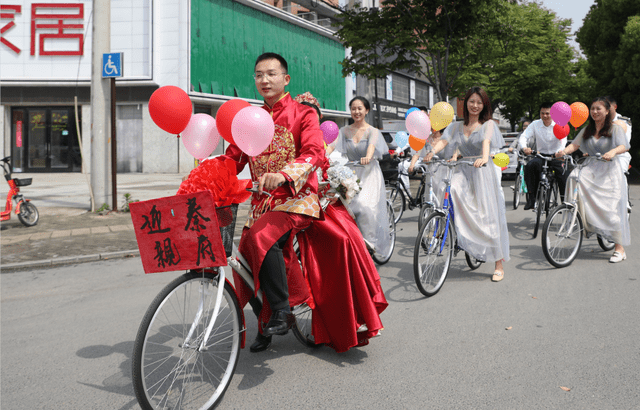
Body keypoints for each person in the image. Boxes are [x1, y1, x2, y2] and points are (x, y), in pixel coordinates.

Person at [215, 53, 326, 352]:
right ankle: (263, 322)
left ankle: (282, 311)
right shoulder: (250, 120)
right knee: (243, 263)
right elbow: (232, 158)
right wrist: (206, 176)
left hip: (296, 199)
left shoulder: (304, 114)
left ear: (286, 79)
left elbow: (314, 152)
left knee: (263, 236)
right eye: (258, 75)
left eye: (271, 74)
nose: (264, 80)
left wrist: (284, 174)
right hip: (261, 204)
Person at [292, 92, 388, 352]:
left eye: (311, 114)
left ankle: (355, 311)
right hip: (294, 205)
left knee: (349, 238)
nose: (306, 118)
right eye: (302, 113)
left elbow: (330, 164)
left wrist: (337, 181)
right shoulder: (286, 138)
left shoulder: (320, 140)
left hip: (331, 199)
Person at [425, 86, 509, 282]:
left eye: (479, 102)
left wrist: (485, 158)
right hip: (462, 169)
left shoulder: (488, 125)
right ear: (466, 104)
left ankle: (498, 263)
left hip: (481, 170)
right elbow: (443, 142)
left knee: (488, 217)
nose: (475, 105)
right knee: (449, 188)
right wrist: (431, 152)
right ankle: (461, 231)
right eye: (472, 101)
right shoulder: (455, 126)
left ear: (484, 105)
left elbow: (486, 143)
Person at [556, 97, 630, 263]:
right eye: (592, 109)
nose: (595, 112)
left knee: (611, 212)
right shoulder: (587, 129)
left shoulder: (615, 128)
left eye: (598, 109)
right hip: (591, 168)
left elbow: (624, 146)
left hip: (609, 171)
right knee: (574, 176)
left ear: (606, 111)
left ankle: (620, 249)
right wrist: (563, 151)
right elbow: (574, 145)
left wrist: (613, 152)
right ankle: (577, 215)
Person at [327, 96, 393, 256]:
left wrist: (368, 157)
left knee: (365, 206)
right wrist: (321, 156)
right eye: (353, 109)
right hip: (350, 173)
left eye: (359, 108)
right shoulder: (343, 131)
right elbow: (330, 146)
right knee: (344, 207)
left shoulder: (373, 131)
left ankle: (369, 243)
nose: (356, 112)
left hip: (369, 172)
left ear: (366, 110)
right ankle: (352, 240)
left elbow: (371, 148)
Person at [518, 102, 570, 210]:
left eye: (547, 113)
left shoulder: (559, 123)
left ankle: (564, 204)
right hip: (541, 156)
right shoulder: (535, 124)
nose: (545, 116)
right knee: (530, 166)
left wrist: (561, 151)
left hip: (556, 156)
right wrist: (524, 147)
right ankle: (532, 199)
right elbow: (524, 136)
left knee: (563, 175)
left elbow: (563, 138)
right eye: (542, 113)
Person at [606, 96, 632, 173]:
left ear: (615, 107)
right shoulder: (600, 122)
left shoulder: (623, 121)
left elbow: (625, 145)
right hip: (602, 157)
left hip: (619, 157)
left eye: (608, 107)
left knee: (616, 174)